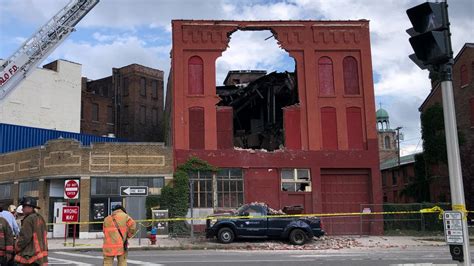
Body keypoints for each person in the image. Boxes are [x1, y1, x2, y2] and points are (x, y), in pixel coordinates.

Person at [15, 197, 48, 266]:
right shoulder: (40, 217)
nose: (22, 209)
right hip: (41, 257)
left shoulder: (29, 219)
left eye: (24, 206)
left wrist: (17, 247)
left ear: (30, 207)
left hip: (31, 256)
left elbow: (25, 238)